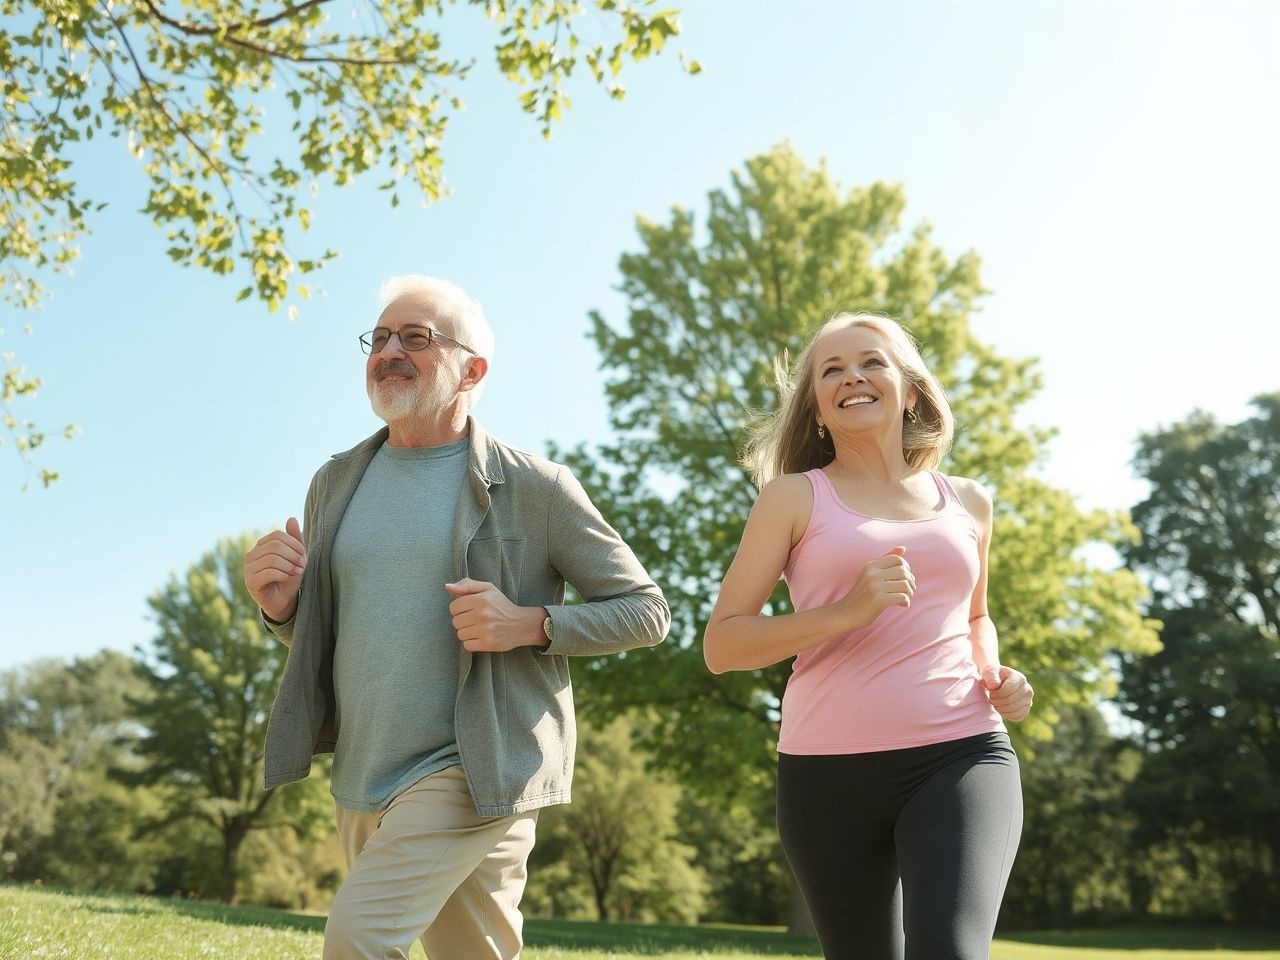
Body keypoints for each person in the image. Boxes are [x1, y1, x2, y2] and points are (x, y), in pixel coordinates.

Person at [243, 275, 669, 960]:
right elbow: (335, 630)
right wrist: (282, 610)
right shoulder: (335, 482)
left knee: (356, 941)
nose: (388, 352)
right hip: (362, 769)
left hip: (474, 765)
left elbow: (646, 612)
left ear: (472, 369)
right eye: (378, 338)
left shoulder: (537, 486)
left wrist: (531, 624)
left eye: (415, 338)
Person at [703, 312, 1033, 960]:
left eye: (871, 361)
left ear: (910, 390)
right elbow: (723, 645)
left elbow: (974, 616)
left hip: (961, 750)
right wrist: (844, 613)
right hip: (825, 769)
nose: (853, 376)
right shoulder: (793, 498)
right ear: (819, 411)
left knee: (951, 951)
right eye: (832, 370)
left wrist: (995, 672)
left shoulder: (969, 501)